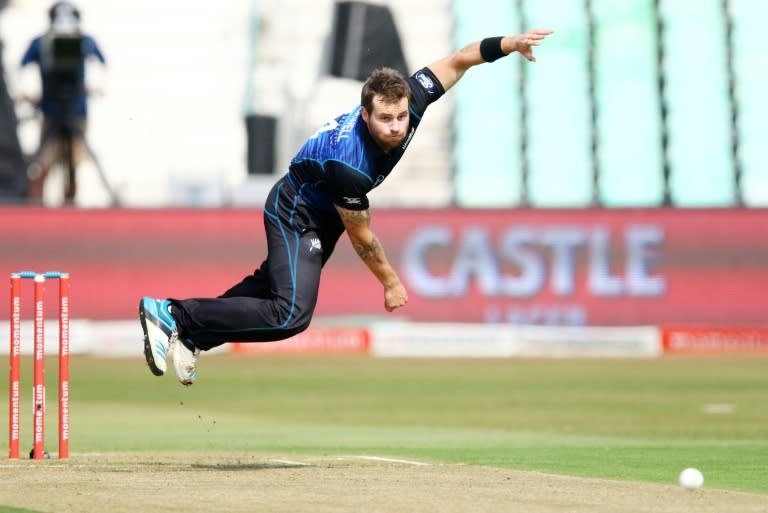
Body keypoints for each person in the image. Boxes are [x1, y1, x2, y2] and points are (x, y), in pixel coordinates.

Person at [140, 28, 554, 386]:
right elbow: (363, 239)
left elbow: (463, 59)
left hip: (320, 214)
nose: (396, 127)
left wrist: (511, 43)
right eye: (385, 119)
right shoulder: (349, 165)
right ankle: (172, 313)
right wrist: (391, 283)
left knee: (268, 289)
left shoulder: (412, 99)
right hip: (296, 211)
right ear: (364, 114)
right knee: (289, 315)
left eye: (400, 118)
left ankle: (193, 335)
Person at [19, 1, 106, 203]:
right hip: (50, 111)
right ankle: (33, 209)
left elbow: (102, 64)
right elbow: (22, 67)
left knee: (73, 166)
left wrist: (96, 86)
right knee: (43, 164)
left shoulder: (85, 42)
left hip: (77, 111)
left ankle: (69, 211)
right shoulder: (41, 43)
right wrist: (27, 92)